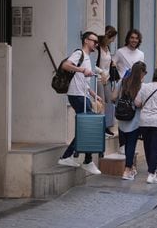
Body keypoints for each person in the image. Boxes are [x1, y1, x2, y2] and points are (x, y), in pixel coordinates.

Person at [57, 31, 102, 175]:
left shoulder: (88, 58)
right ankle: (78, 159)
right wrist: (81, 69)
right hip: (76, 95)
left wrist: (94, 94)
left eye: (97, 42)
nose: (96, 44)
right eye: (94, 41)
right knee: (88, 127)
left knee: (87, 126)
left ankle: (81, 159)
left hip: (83, 95)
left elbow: (83, 82)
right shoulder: (79, 53)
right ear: (86, 41)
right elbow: (65, 65)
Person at [112, 61, 147, 180]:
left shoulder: (122, 81)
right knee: (131, 145)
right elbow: (140, 104)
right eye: (145, 72)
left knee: (127, 145)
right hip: (135, 120)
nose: (145, 75)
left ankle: (131, 167)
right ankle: (127, 170)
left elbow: (113, 97)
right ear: (141, 73)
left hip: (122, 119)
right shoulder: (141, 86)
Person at [135, 68, 157, 184]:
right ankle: (151, 173)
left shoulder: (144, 87)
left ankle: (152, 172)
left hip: (144, 121)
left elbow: (137, 103)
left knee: (148, 147)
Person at [96, 25, 118, 137]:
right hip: (100, 79)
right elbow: (93, 65)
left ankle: (108, 126)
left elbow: (107, 61)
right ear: (106, 36)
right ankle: (101, 127)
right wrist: (101, 72)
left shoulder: (107, 48)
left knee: (110, 102)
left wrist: (112, 63)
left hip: (108, 78)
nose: (113, 40)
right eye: (112, 38)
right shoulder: (97, 48)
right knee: (102, 102)